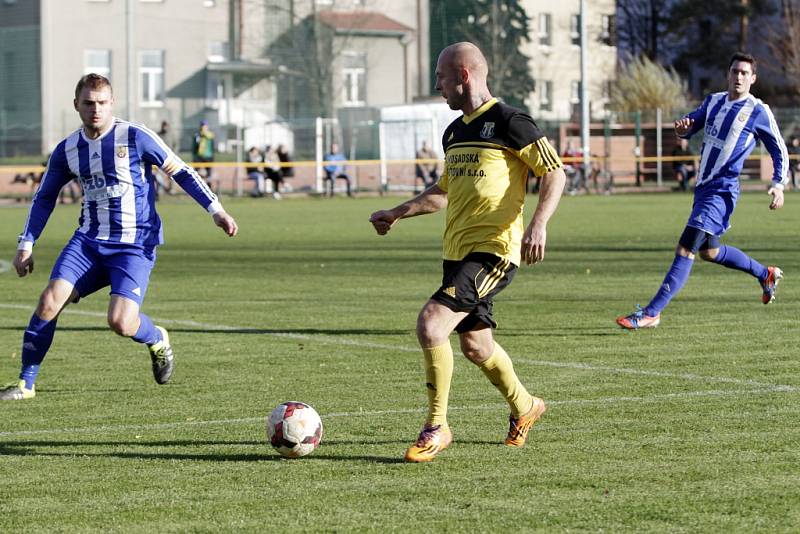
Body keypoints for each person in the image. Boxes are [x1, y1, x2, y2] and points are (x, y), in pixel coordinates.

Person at [369, 42, 566, 462]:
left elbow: (554, 172)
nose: (437, 85)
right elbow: (443, 192)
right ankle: (526, 406)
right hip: (457, 254)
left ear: (463, 74)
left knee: (431, 324)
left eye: (441, 77)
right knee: (476, 346)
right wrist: (397, 212)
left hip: (494, 251)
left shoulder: (511, 121)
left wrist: (539, 224)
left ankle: (436, 427)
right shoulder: (454, 132)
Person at [0, 73, 239, 401]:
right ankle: (26, 384)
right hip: (88, 243)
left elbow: (181, 170)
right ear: (76, 106)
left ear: (112, 103)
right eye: (88, 103)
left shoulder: (136, 136)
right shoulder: (68, 150)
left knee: (121, 322)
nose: (95, 109)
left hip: (134, 246)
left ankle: (156, 338)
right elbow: (44, 197)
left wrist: (216, 210)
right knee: (49, 300)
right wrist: (25, 244)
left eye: (101, 103)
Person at [617, 52, 788, 330]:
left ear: (753, 79)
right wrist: (682, 128)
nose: (739, 77)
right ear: (728, 74)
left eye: (745, 73)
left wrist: (778, 184)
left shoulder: (758, 111)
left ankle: (652, 312)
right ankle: (764, 274)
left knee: (686, 247)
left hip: (722, 191)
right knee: (710, 252)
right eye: (735, 71)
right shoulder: (714, 101)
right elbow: (690, 126)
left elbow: (779, 150)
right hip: (703, 189)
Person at [192, 120, 217, 193]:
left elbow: (212, 144)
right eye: (202, 126)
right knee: (195, 173)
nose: (203, 127)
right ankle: (195, 188)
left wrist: (212, 157)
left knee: (209, 173)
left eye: (205, 126)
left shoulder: (210, 135)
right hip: (199, 157)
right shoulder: (197, 135)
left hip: (208, 157)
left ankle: (209, 190)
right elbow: (194, 147)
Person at [155, 120, 177, 198]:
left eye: (166, 125)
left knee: (172, 175)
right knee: (158, 176)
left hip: (170, 159)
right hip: (160, 159)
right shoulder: (158, 135)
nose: (165, 127)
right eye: (163, 125)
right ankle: (160, 190)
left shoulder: (171, 135)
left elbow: (175, 145)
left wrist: (174, 154)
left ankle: (171, 190)